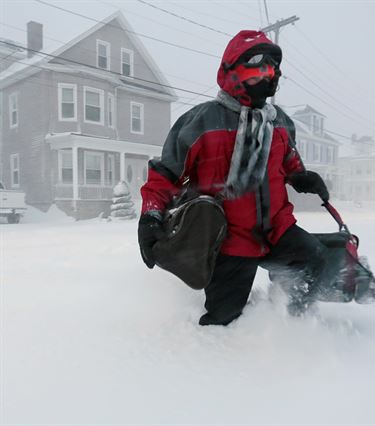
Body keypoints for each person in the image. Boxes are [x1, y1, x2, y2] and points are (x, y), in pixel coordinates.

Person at [137, 30, 333, 326]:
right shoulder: (202, 121)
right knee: (224, 320)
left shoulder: (278, 121)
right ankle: (218, 360)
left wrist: (301, 176)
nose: (266, 78)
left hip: (278, 229)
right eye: (256, 70)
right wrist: (151, 216)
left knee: (314, 259)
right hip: (228, 239)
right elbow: (165, 175)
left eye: (271, 71)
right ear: (232, 73)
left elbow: (289, 159)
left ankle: (290, 324)